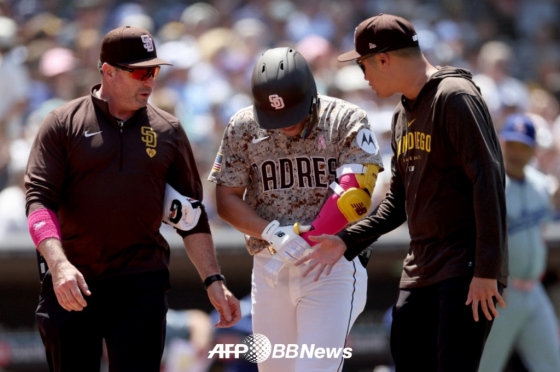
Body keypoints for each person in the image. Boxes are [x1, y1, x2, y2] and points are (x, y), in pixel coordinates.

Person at [297, 14, 508, 371]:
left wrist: (487, 269)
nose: (364, 76)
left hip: (465, 268)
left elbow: (487, 180)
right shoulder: (401, 114)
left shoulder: (454, 97)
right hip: (422, 269)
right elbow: (397, 203)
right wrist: (346, 241)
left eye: (363, 65)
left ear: (383, 59)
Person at [25, 25, 241, 372]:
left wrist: (214, 281)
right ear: (108, 71)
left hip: (140, 284)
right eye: (141, 72)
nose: (149, 81)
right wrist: (58, 264)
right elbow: (39, 201)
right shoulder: (62, 123)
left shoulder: (168, 130)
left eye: (154, 71)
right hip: (71, 281)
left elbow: (192, 216)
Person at [208, 47, 384, 371]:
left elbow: (356, 193)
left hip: (331, 263)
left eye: (291, 113)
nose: (284, 124)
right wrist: (271, 233)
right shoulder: (244, 125)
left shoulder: (345, 118)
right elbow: (226, 198)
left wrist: (309, 236)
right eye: (275, 115)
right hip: (269, 264)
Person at [479, 114, 560, 372]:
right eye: (512, 145)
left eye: (523, 146)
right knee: (485, 366)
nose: (516, 152)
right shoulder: (491, 185)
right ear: (501, 143)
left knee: (552, 364)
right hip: (502, 293)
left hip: (534, 291)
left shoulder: (540, 186)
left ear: (532, 151)